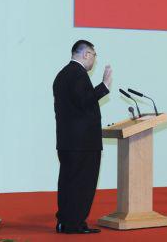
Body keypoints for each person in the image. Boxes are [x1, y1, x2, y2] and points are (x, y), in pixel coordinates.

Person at [53, 40, 112, 234]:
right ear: (86, 54)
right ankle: (74, 224)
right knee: (82, 184)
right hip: (82, 143)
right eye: (94, 56)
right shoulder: (77, 75)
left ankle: (66, 222)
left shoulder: (62, 75)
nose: (94, 60)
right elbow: (84, 101)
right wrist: (104, 86)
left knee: (69, 182)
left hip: (68, 141)